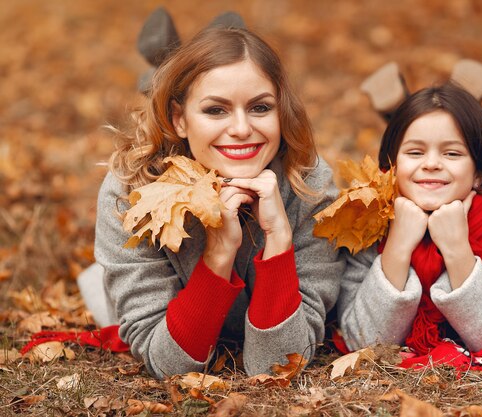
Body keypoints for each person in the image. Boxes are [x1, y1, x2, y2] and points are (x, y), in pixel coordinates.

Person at [83, 26, 344, 379]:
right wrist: (218, 254)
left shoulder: (308, 185)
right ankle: (164, 71)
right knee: (98, 290)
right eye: (216, 110)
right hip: (136, 302)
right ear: (179, 119)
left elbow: (276, 365)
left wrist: (278, 241)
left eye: (260, 107)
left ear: (281, 113)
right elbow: (168, 364)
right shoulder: (131, 194)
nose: (240, 128)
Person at [337, 82, 482, 356]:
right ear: (391, 167)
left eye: (452, 153)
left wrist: (457, 249)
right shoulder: (367, 225)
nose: (432, 163)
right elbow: (361, 342)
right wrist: (397, 247)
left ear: (478, 173)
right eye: (415, 152)